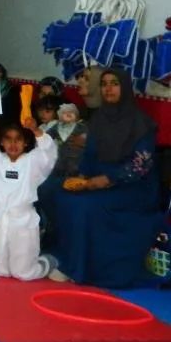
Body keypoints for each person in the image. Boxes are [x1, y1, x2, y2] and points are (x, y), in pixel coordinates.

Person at [51, 68, 163, 287]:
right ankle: (67, 259)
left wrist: (106, 180)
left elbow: (140, 165)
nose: (108, 88)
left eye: (114, 83)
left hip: (132, 188)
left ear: (125, 87)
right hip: (97, 182)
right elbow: (88, 155)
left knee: (84, 205)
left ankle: (78, 269)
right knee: (59, 193)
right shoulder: (99, 119)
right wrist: (82, 176)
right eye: (104, 84)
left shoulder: (141, 122)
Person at [0, 108, 59, 281]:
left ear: (25, 142)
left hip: (23, 220)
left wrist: (35, 129)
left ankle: (46, 263)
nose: (13, 144)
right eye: (8, 139)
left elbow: (48, 153)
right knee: (0, 270)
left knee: (23, 273)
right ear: (1, 142)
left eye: (18, 139)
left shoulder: (32, 161)